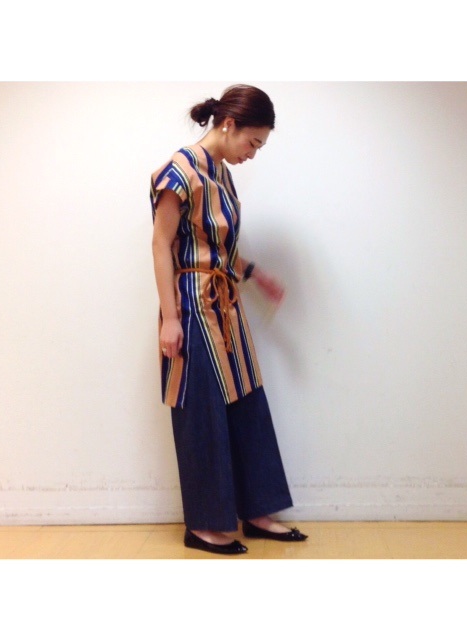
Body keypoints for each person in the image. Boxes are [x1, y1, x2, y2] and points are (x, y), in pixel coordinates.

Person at [150, 84, 307, 555]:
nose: (252, 154)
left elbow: (221, 250)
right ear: (229, 124)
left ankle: (257, 511)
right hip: (191, 305)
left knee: (247, 403)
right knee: (200, 410)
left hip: (225, 305)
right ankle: (203, 525)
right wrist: (170, 319)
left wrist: (256, 276)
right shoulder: (179, 171)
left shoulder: (222, 174)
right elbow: (161, 245)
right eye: (252, 142)